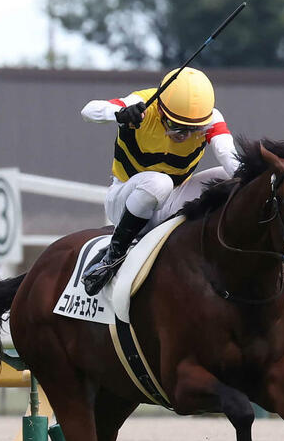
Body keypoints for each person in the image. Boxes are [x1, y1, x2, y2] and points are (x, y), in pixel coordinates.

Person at [80, 67, 238, 295]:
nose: (184, 135)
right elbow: (88, 110)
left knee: (231, 178)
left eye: (192, 129)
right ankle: (113, 255)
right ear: (162, 110)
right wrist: (119, 114)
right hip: (125, 199)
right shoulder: (143, 103)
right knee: (159, 182)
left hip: (171, 201)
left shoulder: (211, 117)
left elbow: (229, 157)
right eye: (176, 127)